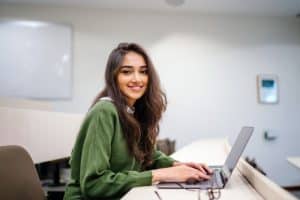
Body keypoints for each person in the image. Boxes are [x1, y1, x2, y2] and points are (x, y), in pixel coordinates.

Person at [63, 42, 212, 200]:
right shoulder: (104, 112)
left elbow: (148, 155)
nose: (137, 79)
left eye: (143, 72)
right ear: (113, 77)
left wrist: (177, 166)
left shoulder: (132, 111)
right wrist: (162, 174)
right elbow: (94, 185)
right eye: (127, 72)